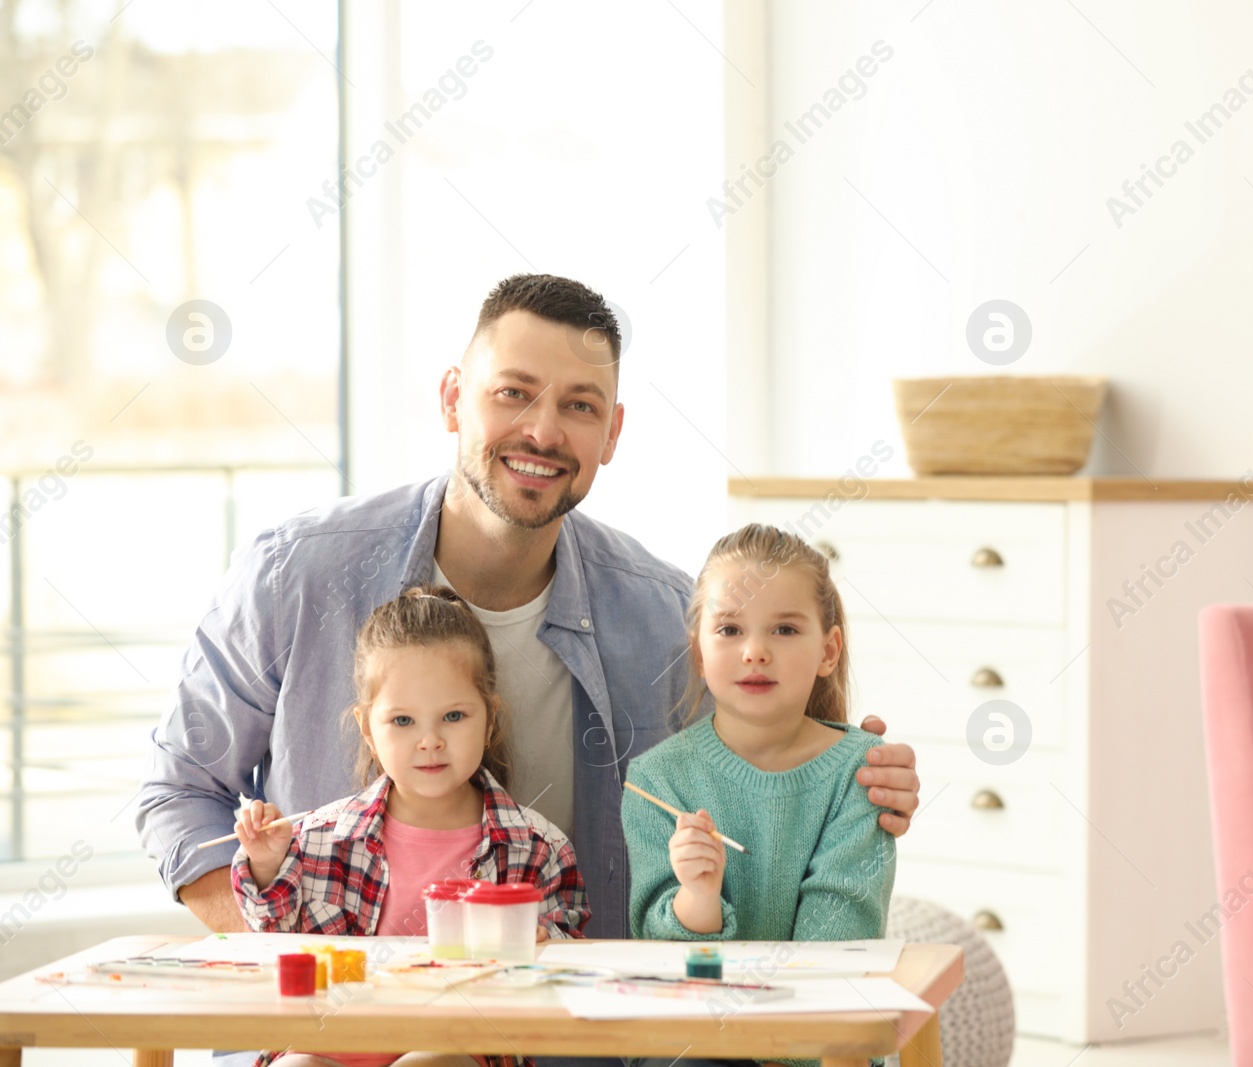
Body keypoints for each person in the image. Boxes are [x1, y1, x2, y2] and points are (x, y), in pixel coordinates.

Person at [134, 274, 922, 1066]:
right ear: (452, 399)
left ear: (611, 434)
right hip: (328, 1036)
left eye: (579, 405)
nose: (543, 431)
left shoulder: (664, 615)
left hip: (577, 1046)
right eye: (513, 392)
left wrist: (854, 768)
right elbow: (177, 795)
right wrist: (325, 982)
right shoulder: (296, 574)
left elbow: (750, 780)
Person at [232, 585, 584, 1067]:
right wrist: (267, 865)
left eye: (454, 716)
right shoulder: (318, 838)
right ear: (367, 730)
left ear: (489, 720)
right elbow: (271, 938)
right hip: (328, 1044)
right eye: (402, 721)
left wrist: (543, 947)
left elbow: (573, 972)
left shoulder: (536, 848)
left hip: (458, 1046)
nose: (430, 741)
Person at [622, 525, 894, 1067]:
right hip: (696, 1041)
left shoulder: (861, 772)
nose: (754, 652)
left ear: (829, 649)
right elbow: (667, 966)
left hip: (819, 1043)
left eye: (786, 630)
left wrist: (775, 1051)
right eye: (728, 629)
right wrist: (698, 899)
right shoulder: (656, 780)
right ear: (699, 652)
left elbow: (840, 942)